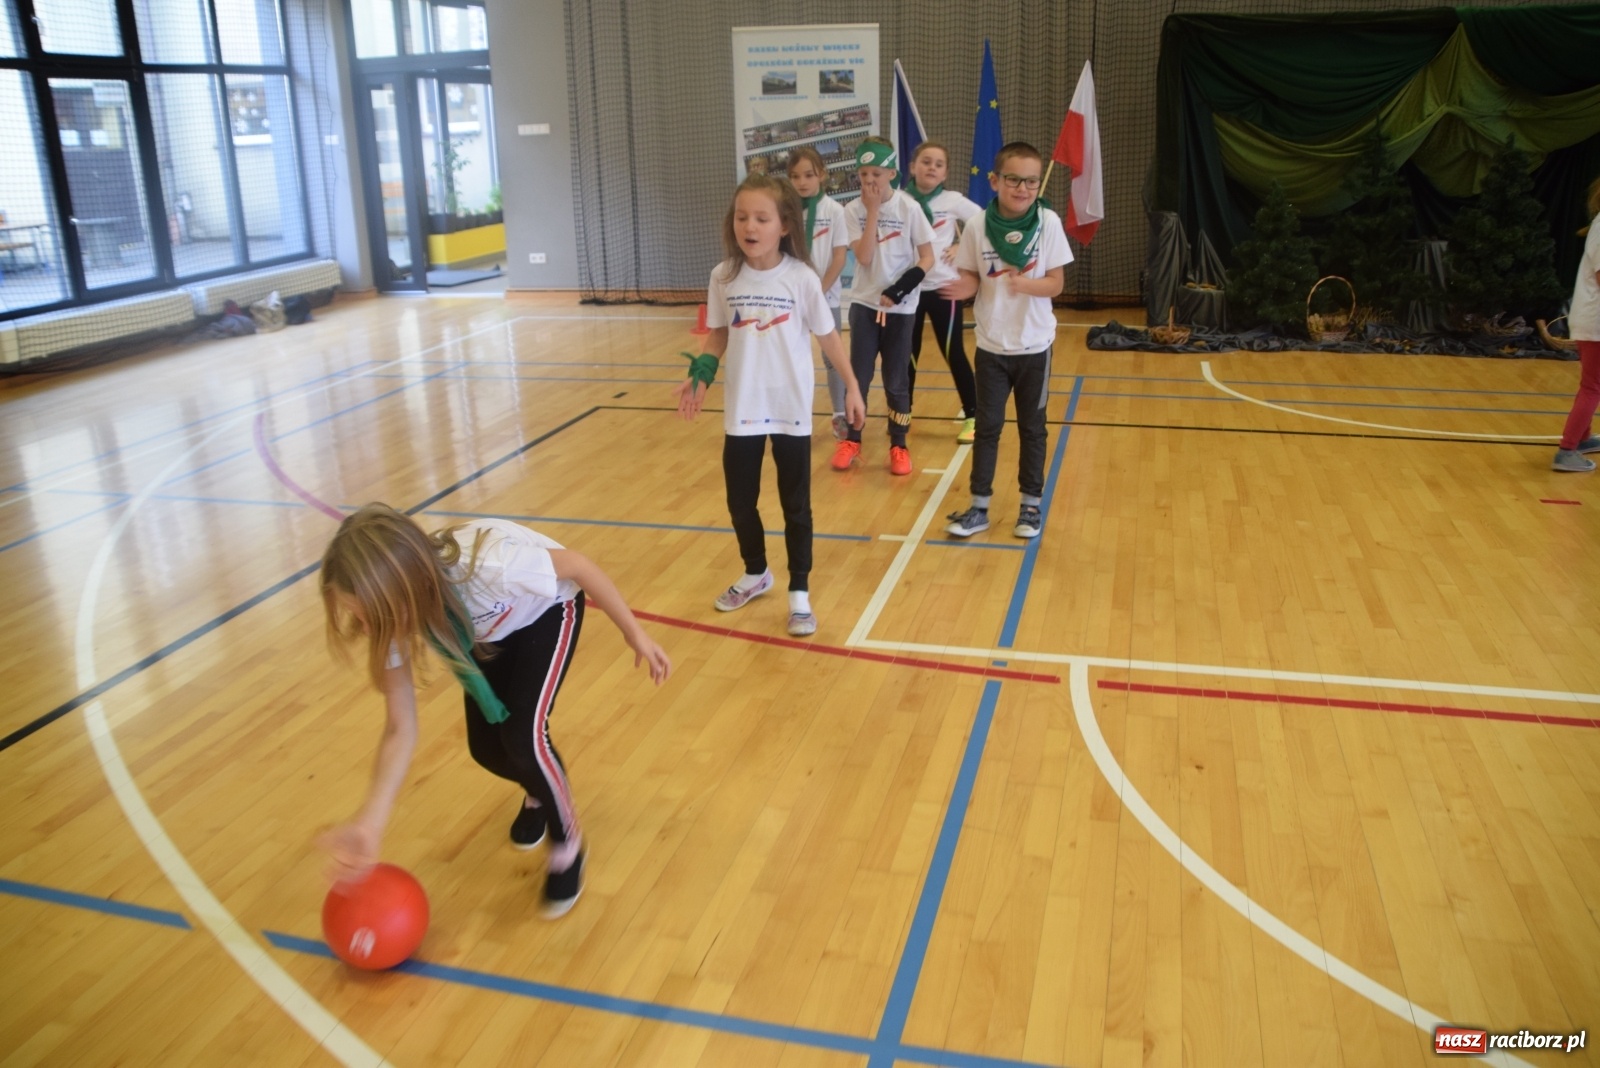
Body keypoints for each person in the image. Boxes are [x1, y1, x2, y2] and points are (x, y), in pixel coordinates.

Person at [317, 504, 671, 919]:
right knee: (487, 749)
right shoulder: (391, 620)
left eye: (375, 616)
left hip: (547, 610)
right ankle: (538, 792)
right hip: (488, 630)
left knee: (524, 737)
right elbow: (399, 728)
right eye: (360, 617)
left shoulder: (489, 567)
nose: (370, 628)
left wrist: (635, 634)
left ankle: (567, 843)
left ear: (408, 587)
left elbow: (579, 566)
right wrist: (369, 824)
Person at [674, 174, 866, 636]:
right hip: (742, 405)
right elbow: (718, 333)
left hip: (791, 407)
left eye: (761, 217)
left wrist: (854, 386)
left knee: (795, 504)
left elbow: (828, 337)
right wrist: (700, 375)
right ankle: (756, 572)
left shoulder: (801, 278)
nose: (749, 226)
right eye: (742, 217)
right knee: (741, 501)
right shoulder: (723, 275)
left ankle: (799, 590)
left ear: (784, 225)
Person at [939, 141, 1072, 539]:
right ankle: (979, 507)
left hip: (1034, 347)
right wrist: (958, 288)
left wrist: (1024, 283)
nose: (1023, 188)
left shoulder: (1048, 223)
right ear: (995, 180)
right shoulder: (978, 225)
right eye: (1013, 179)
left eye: (1031, 181)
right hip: (992, 346)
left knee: (1033, 428)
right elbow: (972, 276)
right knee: (988, 427)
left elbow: (1056, 285)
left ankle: (1030, 507)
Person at [833, 137, 935, 476]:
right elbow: (863, 257)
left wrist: (902, 288)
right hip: (864, 305)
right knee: (858, 378)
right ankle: (853, 439)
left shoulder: (910, 208)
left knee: (896, 381)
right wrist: (873, 211)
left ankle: (898, 444)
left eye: (876, 173)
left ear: (891, 172)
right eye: (863, 175)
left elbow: (927, 257)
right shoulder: (851, 211)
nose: (869, 182)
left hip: (901, 312)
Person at [903, 140, 982, 441]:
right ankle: (902, 412)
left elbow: (984, 222)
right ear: (912, 167)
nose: (931, 167)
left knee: (953, 352)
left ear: (945, 172)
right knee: (907, 354)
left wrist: (962, 247)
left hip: (942, 288)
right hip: (908, 291)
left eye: (938, 164)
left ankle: (973, 416)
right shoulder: (898, 199)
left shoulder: (952, 200)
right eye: (925, 161)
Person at [787, 146, 852, 440]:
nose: (802, 182)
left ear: (822, 175)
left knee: (832, 358)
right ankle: (792, 416)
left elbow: (839, 258)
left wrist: (817, 291)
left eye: (809, 175)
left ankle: (840, 413)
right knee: (790, 356)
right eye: (795, 176)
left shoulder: (835, 211)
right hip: (789, 299)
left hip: (826, 298)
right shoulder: (785, 212)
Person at [1553, 176, 1600, 473]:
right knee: (1593, 386)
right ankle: (1567, 450)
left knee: (1592, 384)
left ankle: (1581, 438)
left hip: (1592, 320)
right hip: (1596, 322)